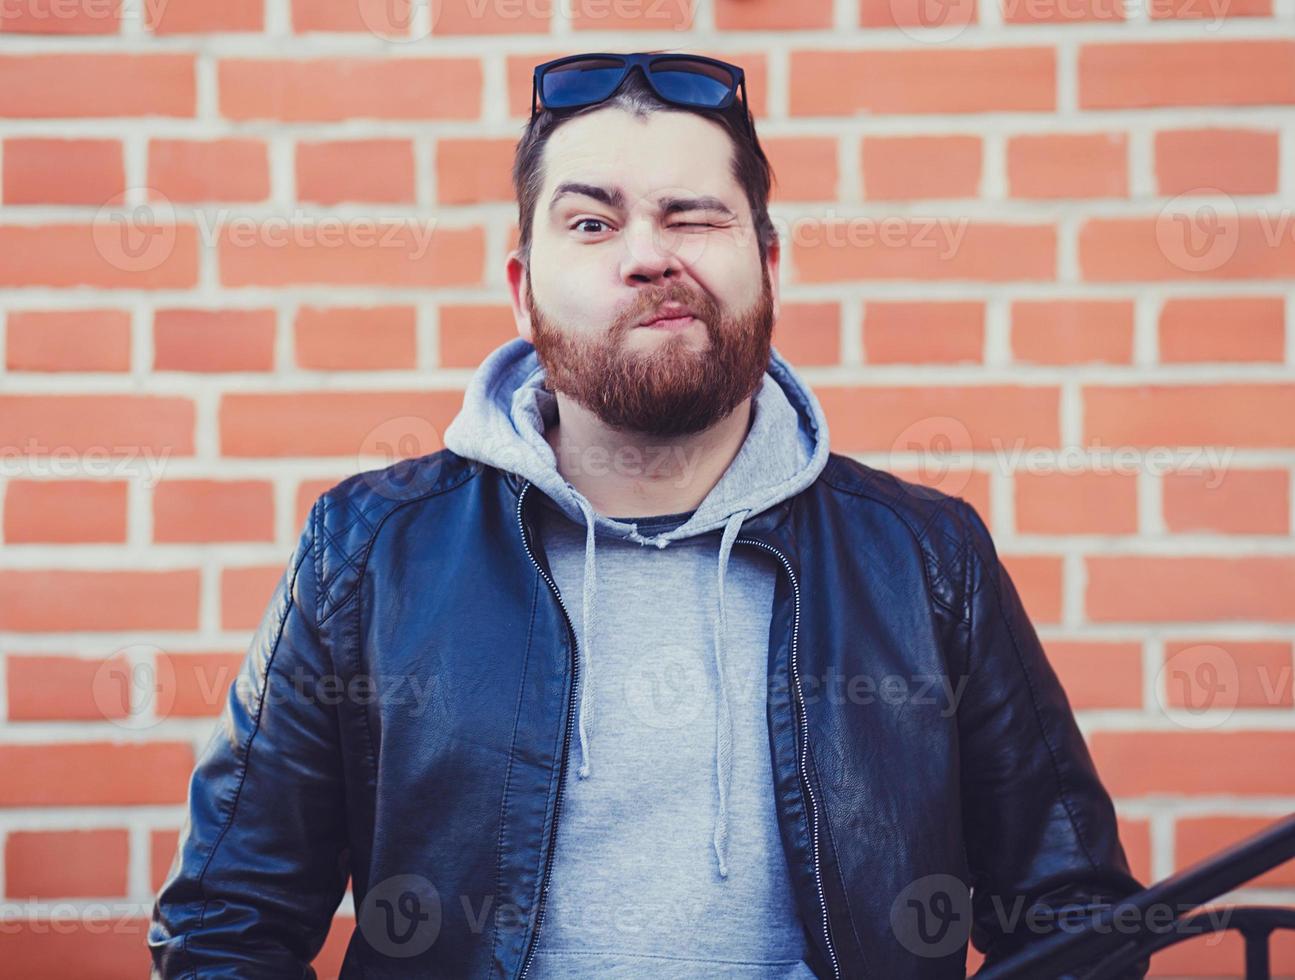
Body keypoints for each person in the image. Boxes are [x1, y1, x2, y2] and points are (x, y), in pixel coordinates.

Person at [148, 52, 1148, 979]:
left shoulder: (925, 560)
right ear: (521, 287)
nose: (647, 256)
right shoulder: (368, 551)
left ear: (765, 261)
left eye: (692, 216)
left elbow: (1072, 917)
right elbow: (226, 922)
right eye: (590, 223)